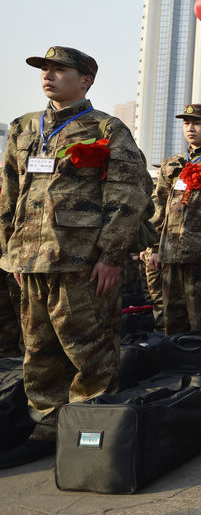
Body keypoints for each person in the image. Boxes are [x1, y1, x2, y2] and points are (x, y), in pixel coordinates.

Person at [0, 46, 150, 468]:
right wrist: (10, 253)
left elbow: (127, 195)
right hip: (30, 258)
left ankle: (90, 433)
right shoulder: (24, 127)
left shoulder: (105, 128)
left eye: (60, 70)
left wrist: (111, 256)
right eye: (45, 69)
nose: (48, 75)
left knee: (90, 349)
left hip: (82, 260)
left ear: (86, 80)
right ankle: (46, 428)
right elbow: (9, 192)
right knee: (38, 349)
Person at [149, 104, 201, 333]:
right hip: (170, 254)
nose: (190, 128)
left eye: (197, 122)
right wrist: (153, 246)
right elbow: (159, 205)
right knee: (171, 322)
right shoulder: (172, 163)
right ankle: (175, 368)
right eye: (186, 123)